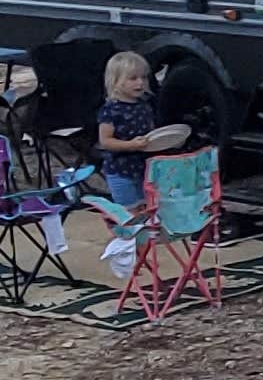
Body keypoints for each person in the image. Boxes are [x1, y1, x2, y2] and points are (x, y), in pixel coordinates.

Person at [83, 49, 194, 277]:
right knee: (129, 214)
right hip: (120, 170)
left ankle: (141, 253)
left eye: (143, 78)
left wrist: (166, 141)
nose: (140, 83)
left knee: (145, 210)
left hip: (144, 167)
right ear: (116, 81)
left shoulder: (145, 104)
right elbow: (106, 141)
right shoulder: (111, 111)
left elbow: (151, 136)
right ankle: (127, 254)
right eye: (133, 78)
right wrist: (131, 145)